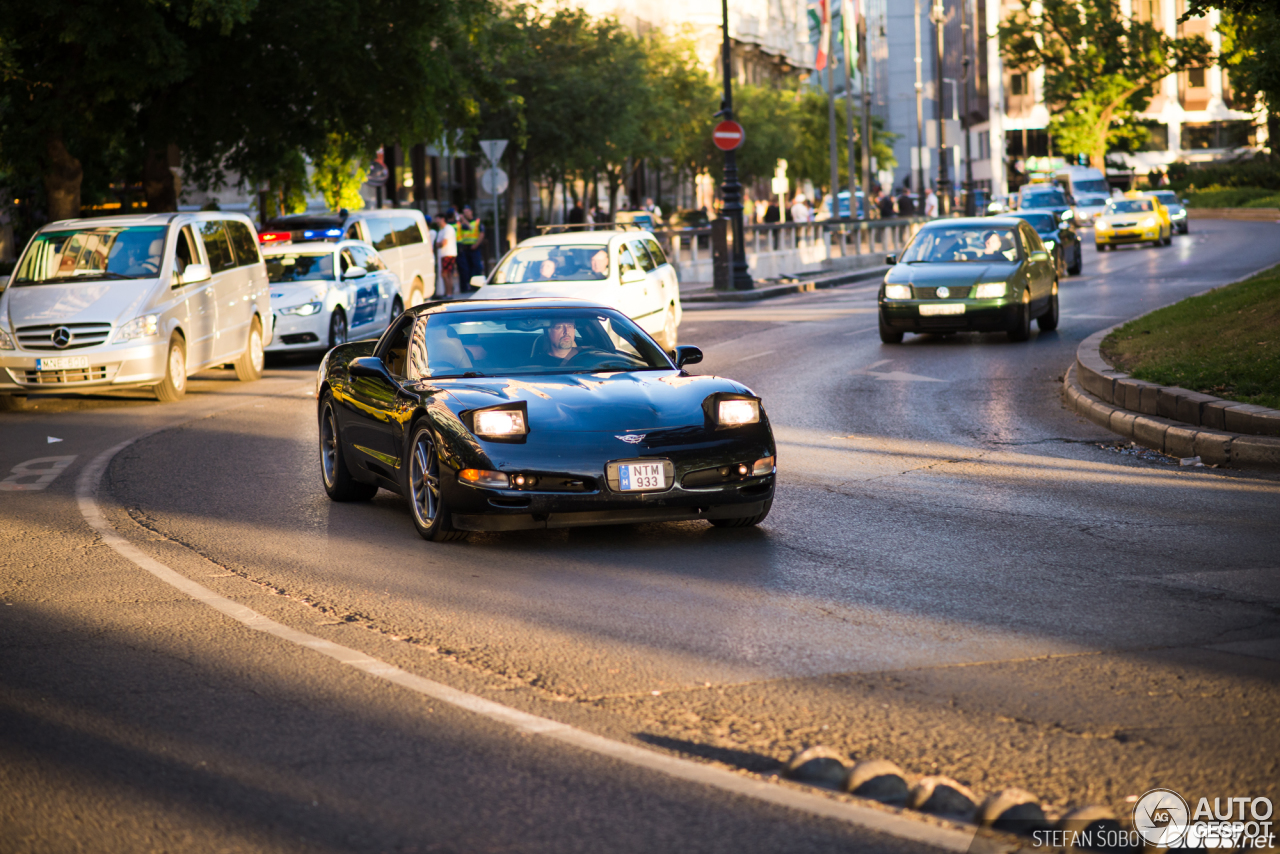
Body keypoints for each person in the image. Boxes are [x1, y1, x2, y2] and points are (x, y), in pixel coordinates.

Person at [456, 205, 485, 292]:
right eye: (464, 213)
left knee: (476, 267)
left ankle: (476, 286)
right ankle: (469, 285)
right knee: (466, 268)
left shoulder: (477, 221)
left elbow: (481, 234)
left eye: (467, 212)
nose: (466, 214)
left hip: (474, 248)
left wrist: (476, 244)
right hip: (465, 248)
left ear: (471, 212)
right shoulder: (461, 223)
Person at [435, 210, 458, 296]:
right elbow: (438, 243)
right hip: (444, 254)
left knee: (445, 274)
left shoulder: (448, 229)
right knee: (446, 274)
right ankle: (447, 292)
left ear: (442, 219)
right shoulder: (441, 230)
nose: (436, 221)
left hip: (448, 254)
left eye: (438, 219)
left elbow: (443, 243)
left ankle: (449, 293)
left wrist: (439, 244)